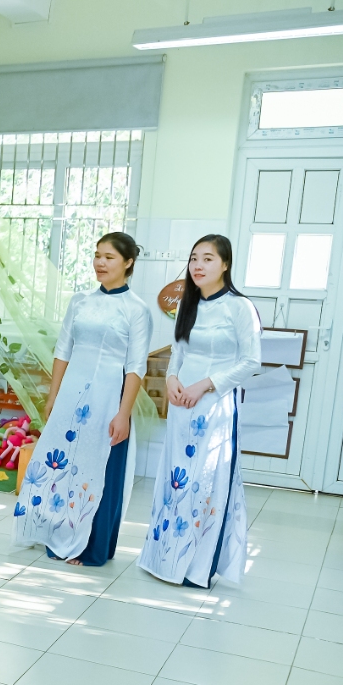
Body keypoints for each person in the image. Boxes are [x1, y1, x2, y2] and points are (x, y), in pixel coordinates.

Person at [14, 233, 152, 567]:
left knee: (97, 467)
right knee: (61, 463)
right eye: (97, 255)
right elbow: (63, 350)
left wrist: (123, 413)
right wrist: (53, 397)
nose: (100, 263)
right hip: (71, 395)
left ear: (128, 262)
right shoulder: (80, 301)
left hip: (108, 398)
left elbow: (136, 367)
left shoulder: (137, 309)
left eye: (109, 257)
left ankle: (91, 546)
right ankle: (56, 530)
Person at [139, 234, 262, 587]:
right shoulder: (188, 304)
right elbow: (179, 351)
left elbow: (251, 361)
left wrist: (205, 385)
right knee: (176, 477)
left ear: (225, 264)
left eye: (208, 259)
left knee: (207, 480)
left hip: (215, 406)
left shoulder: (240, 307)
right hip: (182, 404)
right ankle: (165, 557)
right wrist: (172, 379)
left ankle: (196, 565)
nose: (198, 265)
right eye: (194, 258)